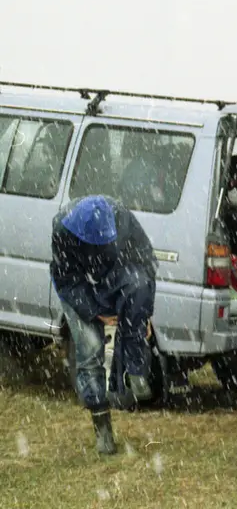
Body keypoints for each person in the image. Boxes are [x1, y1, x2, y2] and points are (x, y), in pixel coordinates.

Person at [51, 195, 158, 455]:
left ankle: (133, 372)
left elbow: (145, 265)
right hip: (78, 287)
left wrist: (143, 313)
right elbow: (67, 281)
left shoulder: (123, 219)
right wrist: (94, 311)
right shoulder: (63, 230)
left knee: (138, 284)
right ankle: (102, 426)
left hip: (111, 277)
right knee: (90, 348)